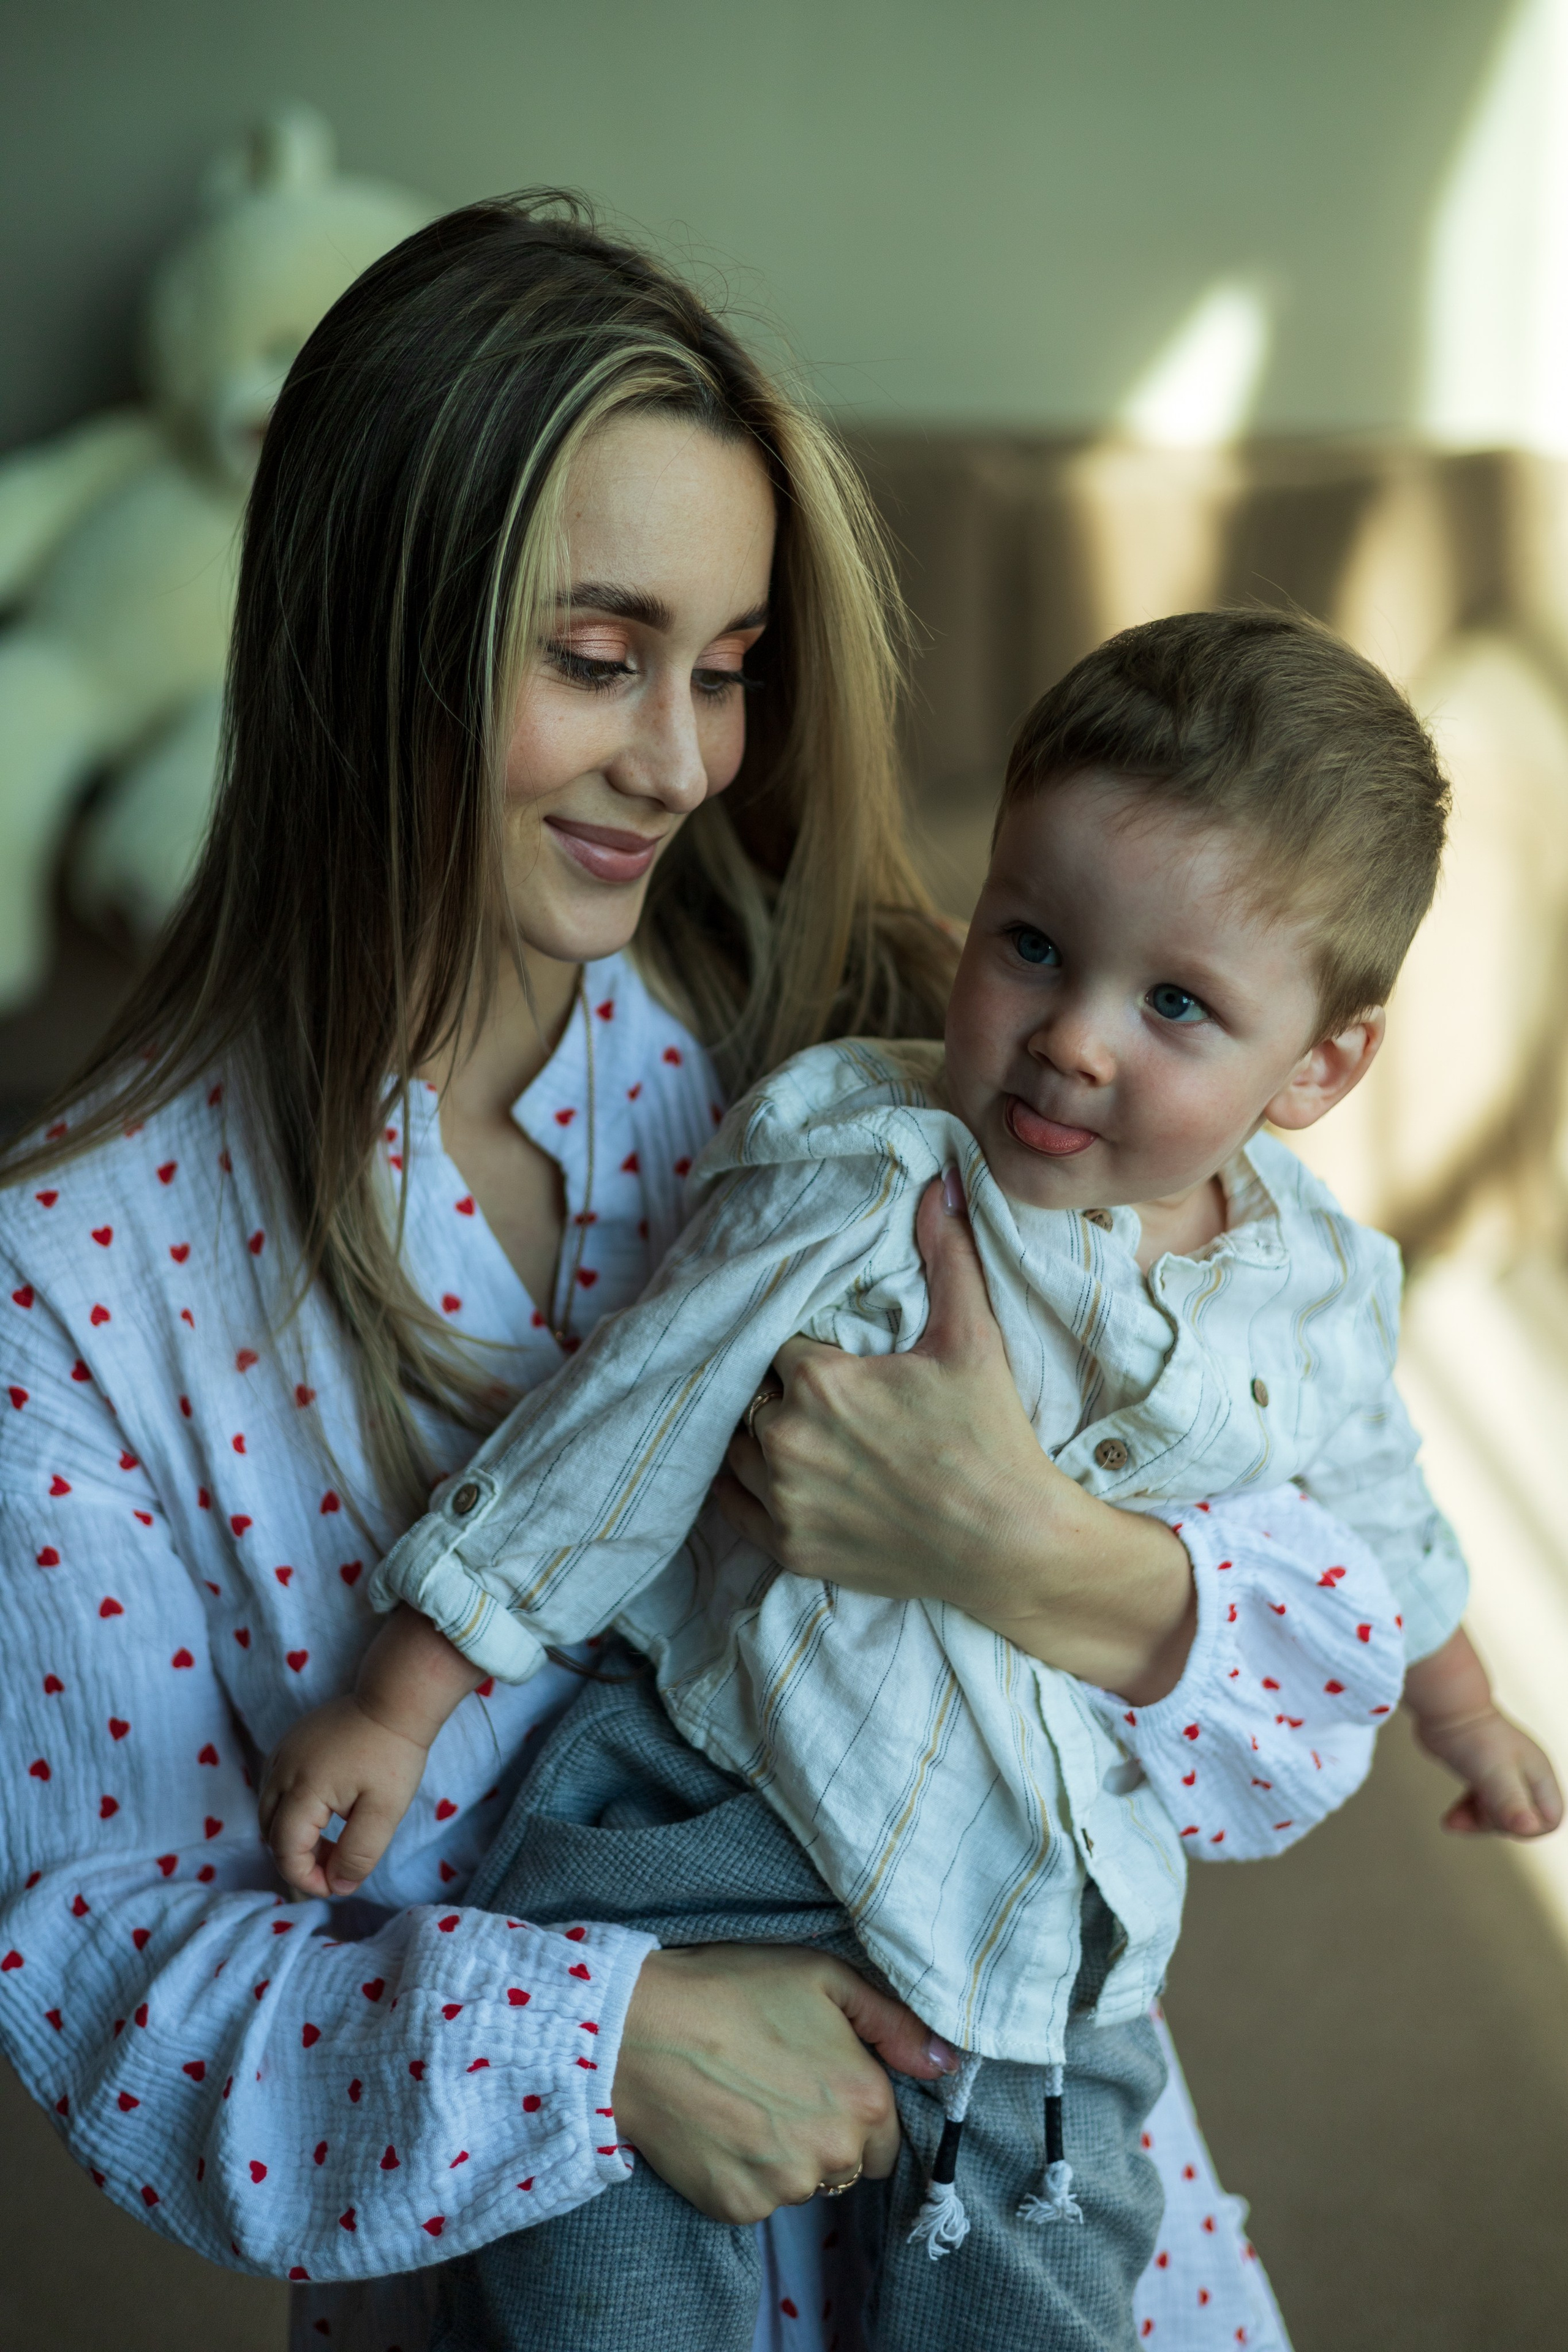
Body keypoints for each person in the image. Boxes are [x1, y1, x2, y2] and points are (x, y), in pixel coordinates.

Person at [0, 198, 1308, 2352]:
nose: (686, 765)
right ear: (364, 637)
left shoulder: (875, 1070)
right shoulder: (75, 1276)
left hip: (1053, 2225)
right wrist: (600, 2039)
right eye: (598, 660)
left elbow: (1311, 1584)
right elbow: (101, 1966)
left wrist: (1045, 1554)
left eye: (723, 670)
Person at [263, 609, 1563, 2351]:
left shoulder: (1315, 1292)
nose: (1073, 1040)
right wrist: (399, 1698)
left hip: (1034, 1908)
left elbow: (1379, 1509)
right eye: (1031, 945)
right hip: (713, 1808)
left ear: (1321, 1065)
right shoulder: (868, 1168)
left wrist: (1460, 1703)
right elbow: (624, 1428)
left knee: (1047, 2267)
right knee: (595, 2276)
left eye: (1176, 1005)